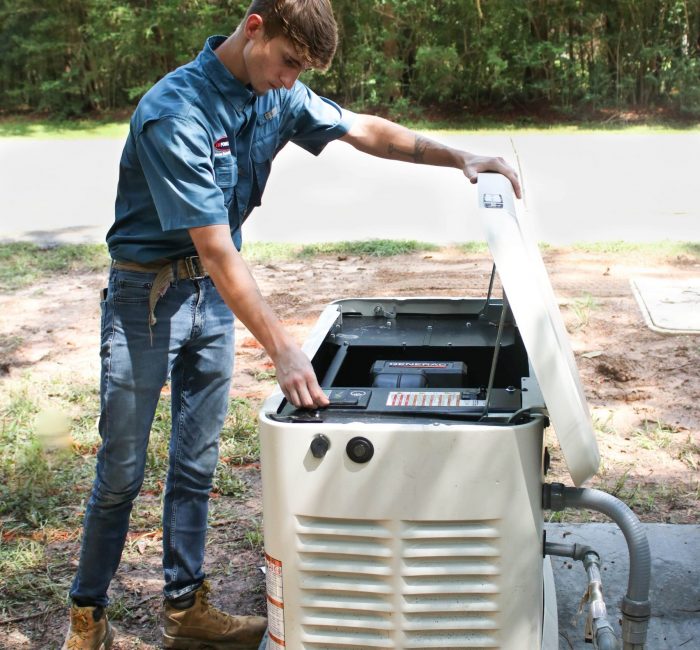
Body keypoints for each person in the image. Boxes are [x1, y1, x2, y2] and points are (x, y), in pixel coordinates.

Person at [62, 0, 521, 648]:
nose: (290, 79)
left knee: (196, 462)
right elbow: (217, 250)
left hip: (214, 300)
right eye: (287, 62)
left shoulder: (275, 92)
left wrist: (461, 158)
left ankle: (186, 609)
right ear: (255, 30)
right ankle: (88, 619)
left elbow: (362, 130)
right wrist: (283, 349)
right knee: (122, 471)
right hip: (149, 300)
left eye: (300, 70)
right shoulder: (177, 112)